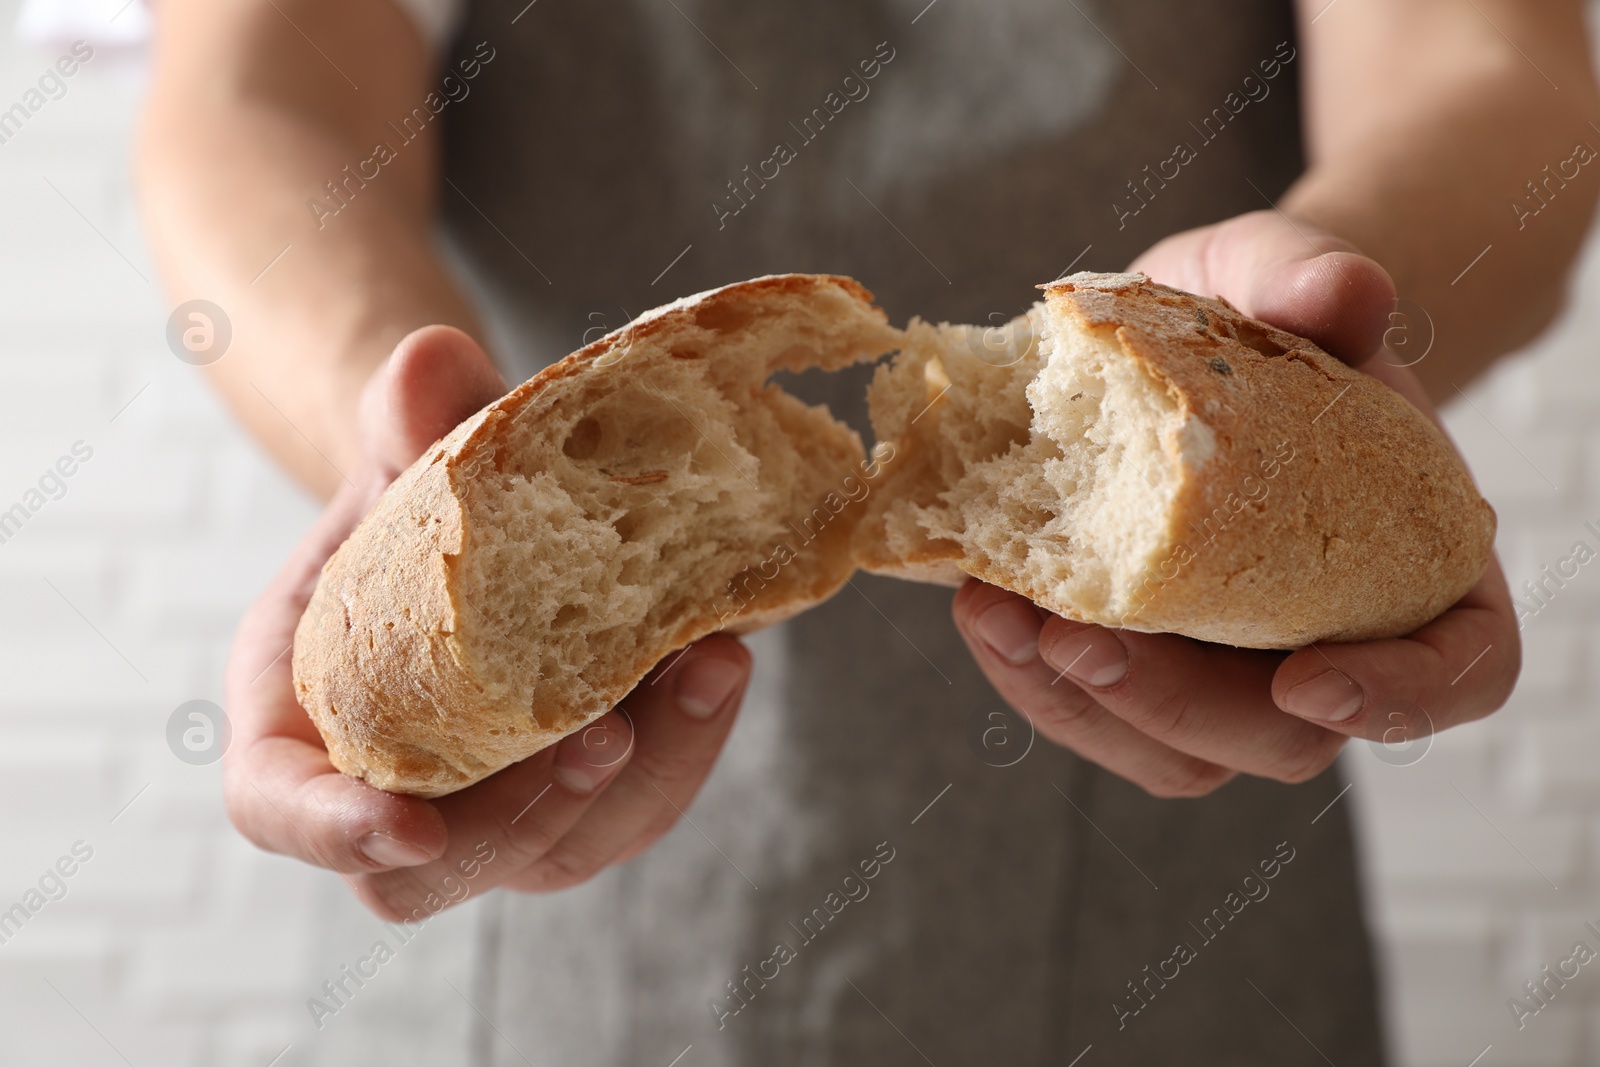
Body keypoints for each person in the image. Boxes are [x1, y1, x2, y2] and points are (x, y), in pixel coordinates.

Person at [137, 0, 1595, 1062]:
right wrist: (392, 437)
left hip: (1178, 890)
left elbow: (1487, 63)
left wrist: (1311, 317)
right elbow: (253, 85)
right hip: (540, 894)